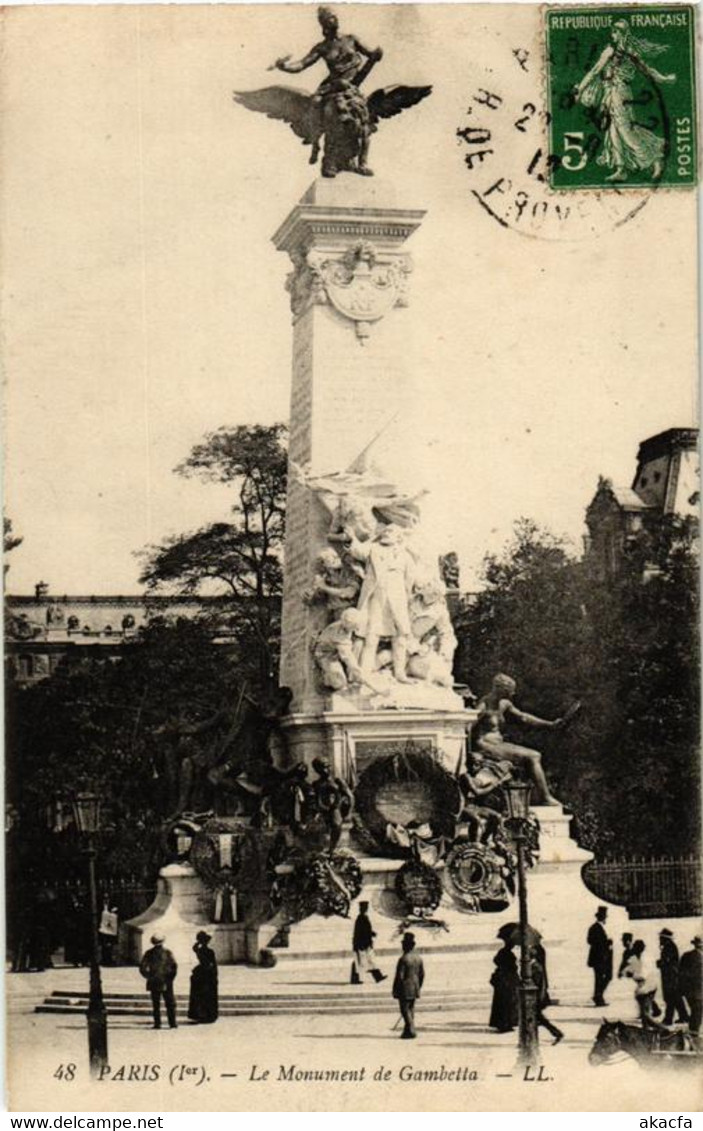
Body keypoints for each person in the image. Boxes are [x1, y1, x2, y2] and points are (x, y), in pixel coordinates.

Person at [573, 19, 676, 183]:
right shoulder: (628, 51)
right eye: (612, 32)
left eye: (615, 32)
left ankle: (654, 160)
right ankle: (621, 169)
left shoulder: (612, 51)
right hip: (616, 92)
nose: (612, 35)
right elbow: (648, 70)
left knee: (625, 131)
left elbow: (594, 71)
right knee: (613, 131)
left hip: (617, 92)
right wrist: (663, 78)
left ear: (621, 34)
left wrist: (580, 89)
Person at [474, 674, 564, 806]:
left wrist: (549, 724)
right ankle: (545, 798)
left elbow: (524, 717)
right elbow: (467, 728)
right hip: (485, 745)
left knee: (533, 755)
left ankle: (538, 797)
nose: (512, 693)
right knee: (533, 756)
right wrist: (472, 753)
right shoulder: (483, 706)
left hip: (498, 744)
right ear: (500, 689)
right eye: (509, 691)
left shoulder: (504, 704)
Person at [139, 933, 178, 1030]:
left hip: (154, 981)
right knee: (170, 1003)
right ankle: (172, 1023)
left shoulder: (149, 953)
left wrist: (148, 976)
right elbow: (174, 966)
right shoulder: (168, 952)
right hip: (166, 980)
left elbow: (142, 967)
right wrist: (170, 978)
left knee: (156, 1004)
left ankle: (157, 1023)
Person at [623, 939, 664, 1030]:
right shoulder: (635, 958)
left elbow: (643, 975)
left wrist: (632, 974)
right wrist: (628, 972)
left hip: (648, 988)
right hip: (643, 989)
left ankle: (662, 1029)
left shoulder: (646, 959)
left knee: (646, 1015)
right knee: (644, 1015)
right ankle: (647, 1031)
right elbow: (627, 970)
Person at [392, 932, 424, 1039]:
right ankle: (407, 1031)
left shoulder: (403, 959)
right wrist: (419, 986)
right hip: (414, 987)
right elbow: (422, 974)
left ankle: (411, 1029)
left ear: (405, 946)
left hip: (405, 988)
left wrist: (395, 989)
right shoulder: (418, 958)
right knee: (411, 1008)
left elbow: (399, 976)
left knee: (404, 1009)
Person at [530, 945, 563, 1044]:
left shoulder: (535, 967)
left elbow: (536, 984)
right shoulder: (535, 966)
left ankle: (557, 1033)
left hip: (536, 998)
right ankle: (556, 1033)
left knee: (536, 1019)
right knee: (536, 1019)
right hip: (536, 998)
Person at [657, 928, 689, 1025]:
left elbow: (668, 962)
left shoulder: (669, 947)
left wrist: (660, 963)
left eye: (661, 938)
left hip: (670, 977)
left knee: (671, 998)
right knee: (676, 997)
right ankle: (684, 1016)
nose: (659, 939)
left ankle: (668, 1019)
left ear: (665, 938)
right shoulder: (670, 946)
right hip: (672, 977)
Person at [351, 901, 386, 985]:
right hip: (362, 944)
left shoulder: (363, 918)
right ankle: (356, 979)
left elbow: (365, 930)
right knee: (362, 961)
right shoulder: (361, 918)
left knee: (367, 960)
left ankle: (377, 976)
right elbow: (361, 932)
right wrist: (370, 935)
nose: (366, 909)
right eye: (365, 908)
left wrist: (371, 933)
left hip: (364, 943)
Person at [488, 937, 519, 1033]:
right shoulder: (508, 953)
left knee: (502, 1002)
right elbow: (512, 966)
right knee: (507, 1002)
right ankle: (506, 1023)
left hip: (503, 980)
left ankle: (503, 1023)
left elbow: (496, 960)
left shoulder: (502, 952)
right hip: (508, 981)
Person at [188, 931, 218, 1024]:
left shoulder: (199, 950)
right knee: (208, 996)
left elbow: (194, 947)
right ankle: (209, 1015)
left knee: (200, 996)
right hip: (208, 974)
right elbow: (213, 964)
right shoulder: (209, 951)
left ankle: (200, 1014)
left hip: (201, 972)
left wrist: (198, 942)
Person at [587, 906, 613, 1007]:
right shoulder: (594, 928)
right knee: (601, 978)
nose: (605, 918)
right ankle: (598, 997)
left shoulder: (599, 927)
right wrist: (606, 942)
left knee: (604, 977)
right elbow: (590, 941)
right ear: (601, 917)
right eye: (604, 917)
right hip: (599, 958)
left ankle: (598, 996)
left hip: (603, 957)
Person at [678, 936, 702, 1037]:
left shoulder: (686, 955)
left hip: (691, 991)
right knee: (697, 1013)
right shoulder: (692, 956)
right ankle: (693, 1036)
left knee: (696, 1012)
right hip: (696, 991)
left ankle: (693, 1034)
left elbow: (681, 973)